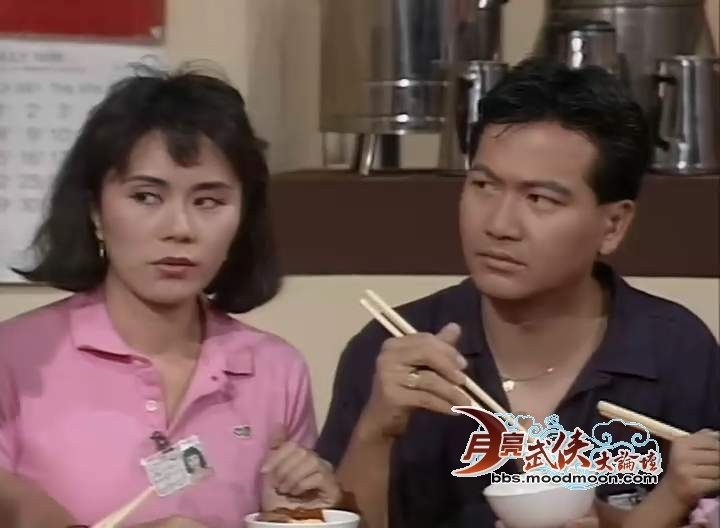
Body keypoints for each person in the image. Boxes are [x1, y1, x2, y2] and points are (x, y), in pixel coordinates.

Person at [316, 58, 720, 528]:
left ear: (613, 225)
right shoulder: (392, 348)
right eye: (484, 185)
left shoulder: (675, 352)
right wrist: (376, 429)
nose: (499, 225)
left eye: (539, 199)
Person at [0, 68, 341, 527]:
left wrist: (301, 513)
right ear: (95, 212)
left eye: (208, 202)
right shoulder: (17, 359)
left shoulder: (276, 371)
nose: (180, 229)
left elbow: (295, 514)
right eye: (146, 197)